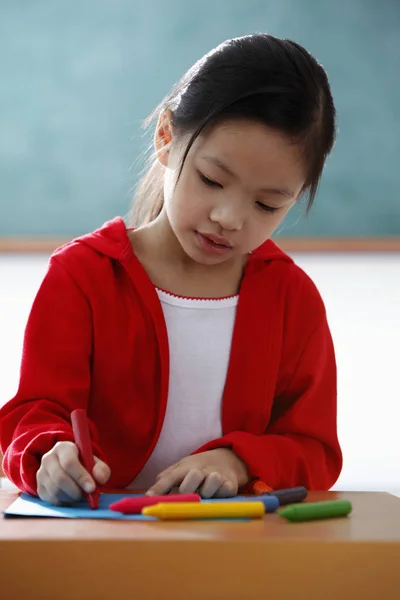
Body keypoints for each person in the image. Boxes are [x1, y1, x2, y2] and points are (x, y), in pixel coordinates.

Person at [0, 34, 342, 505]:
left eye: (268, 204)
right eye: (211, 180)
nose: (230, 218)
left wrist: (239, 460)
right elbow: (32, 415)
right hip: (98, 546)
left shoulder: (292, 299)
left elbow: (315, 450)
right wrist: (47, 454)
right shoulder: (82, 276)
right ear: (166, 137)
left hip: (235, 551)